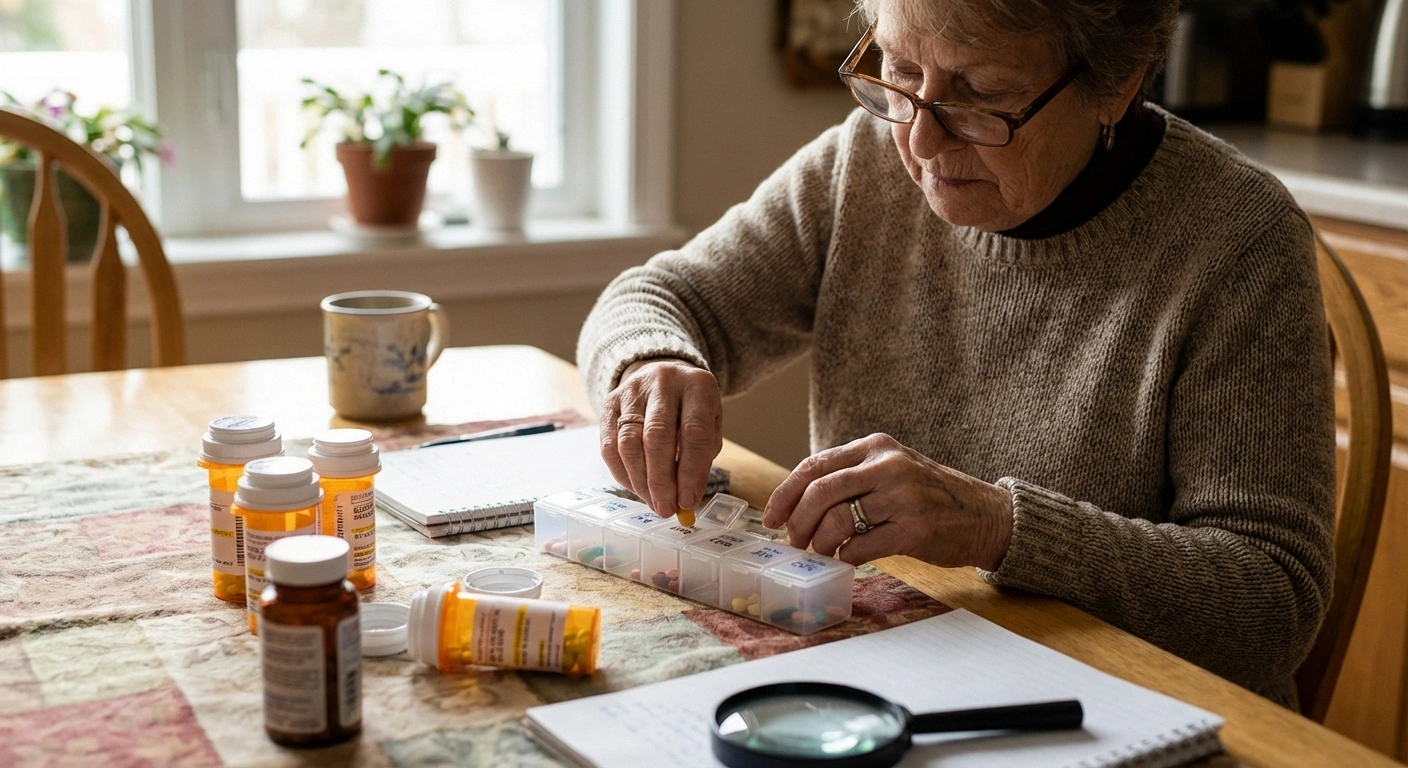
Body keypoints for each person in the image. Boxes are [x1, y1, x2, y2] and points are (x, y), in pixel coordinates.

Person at [577, 0, 1334, 709]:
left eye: (979, 94)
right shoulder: (865, 164)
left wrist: (997, 526)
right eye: (902, 71)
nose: (919, 137)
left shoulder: (1239, 243)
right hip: (897, 673)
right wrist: (650, 365)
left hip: (1125, 710)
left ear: (1120, 83)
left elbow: (1274, 602)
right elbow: (658, 298)